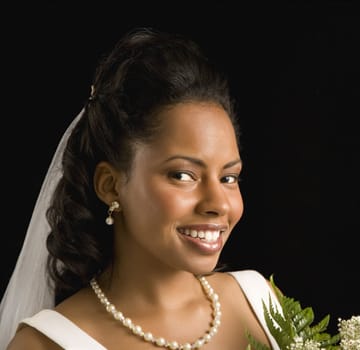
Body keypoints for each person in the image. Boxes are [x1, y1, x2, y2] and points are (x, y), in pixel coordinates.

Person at [0, 27, 282, 350]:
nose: (218, 203)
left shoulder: (261, 303)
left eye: (228, 178)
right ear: (110, 186)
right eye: (183, 175)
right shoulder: (44, 345)